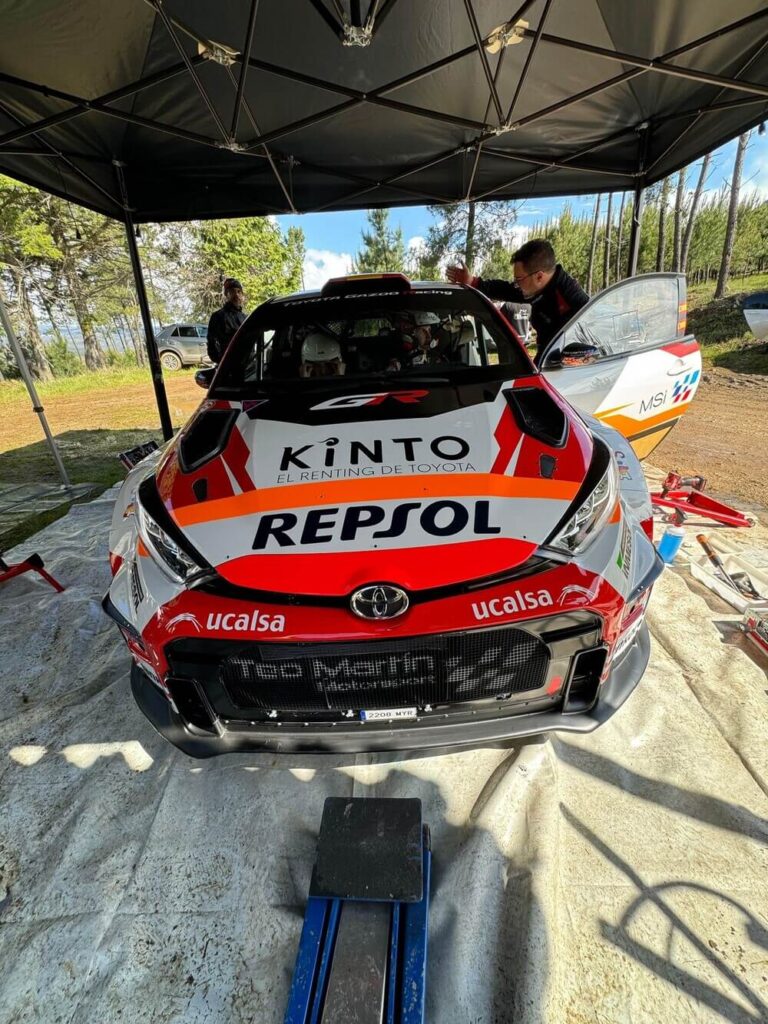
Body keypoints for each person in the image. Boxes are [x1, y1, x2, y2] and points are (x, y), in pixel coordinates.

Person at [446, 238, 589, 359]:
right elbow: (506, 290)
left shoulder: (574, 302)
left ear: (539, 276)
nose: (516, 285)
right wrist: (473, 282)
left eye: (519, 279)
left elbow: (586, 349)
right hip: (546, 360)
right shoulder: (536, 286)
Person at [206, 277, 246, 364]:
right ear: (226, 294)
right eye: (232, 292)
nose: (236, 295)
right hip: (228, 367)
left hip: (248, 366)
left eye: (239, 291)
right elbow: (211, 343)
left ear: (242, 294)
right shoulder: (218, 316)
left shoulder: (245, 317)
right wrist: (221, 362)